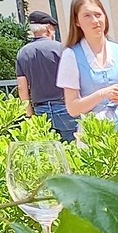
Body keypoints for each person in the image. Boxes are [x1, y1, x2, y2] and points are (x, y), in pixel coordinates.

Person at [57, 0, 118, 133]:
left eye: (98, 14)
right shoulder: (71, 55)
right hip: (94, 133)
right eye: (87, 16)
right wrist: (103, 94)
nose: (95, 20)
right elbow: (73, 109)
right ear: (77, 21)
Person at [15, 11, 75, 141]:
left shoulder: (23, 53)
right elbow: (74, 79)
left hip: (40, 111)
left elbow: (22, 88)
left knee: (48, 149)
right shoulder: (62, 49)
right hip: (65, 107)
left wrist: (29, 115)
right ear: (48, 28)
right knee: (73, 148)